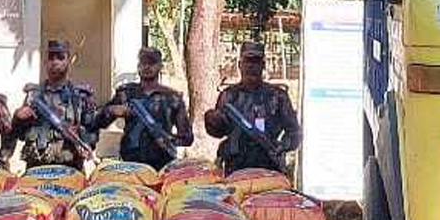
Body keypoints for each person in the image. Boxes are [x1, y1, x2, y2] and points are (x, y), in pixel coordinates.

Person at [205, 40, 301, 173]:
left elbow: (295, 133)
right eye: (248, 61)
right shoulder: (228, 96)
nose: (251, 66)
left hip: (268, 166)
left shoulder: (278, 96)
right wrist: (211, 121)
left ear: (263, 65)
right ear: (240, 65)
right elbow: (219, 131)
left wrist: (280, 146)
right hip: (236, 167)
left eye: (256, 62)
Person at [99, 46, 193, 170]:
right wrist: (112, 110)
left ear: (160, 66)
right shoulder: (126, 93)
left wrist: (167, 139)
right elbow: (98, 122)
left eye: (152, 63)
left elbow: (187, 138)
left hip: (162, 164)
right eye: (143, 63)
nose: (147, 67)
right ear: (138, 66)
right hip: (130, 163)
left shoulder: (172, 97)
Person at [12, 39, 99, 169]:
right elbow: (19, 134)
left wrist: (83, 140)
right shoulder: (33, 95)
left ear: (68, 61)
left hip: (69, 168)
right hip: (36, 168)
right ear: (45, 62)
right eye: (51, 57)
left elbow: (92, 130)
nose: (55, 62)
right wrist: (18, 118)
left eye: (60, 57)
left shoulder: (80, 96)